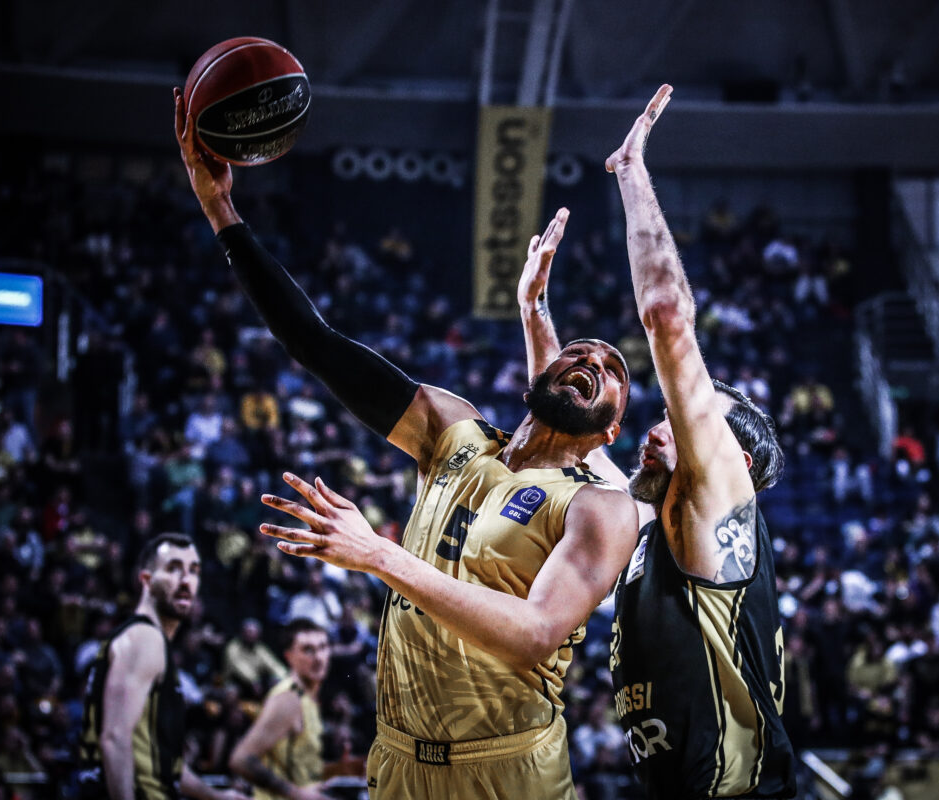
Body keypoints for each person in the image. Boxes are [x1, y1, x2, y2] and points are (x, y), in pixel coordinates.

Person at [175, 91, 640, 800]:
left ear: (610, 429)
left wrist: (379, 554)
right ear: (542, 368)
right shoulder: (450, 430)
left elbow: (537, 632)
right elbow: (316, 344)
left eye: (613, 372)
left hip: (508, 769)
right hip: (395, 761)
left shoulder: (599, 507)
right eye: (581, 351)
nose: (595, 362)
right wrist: (220, 212)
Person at [520, 86, 796, 798]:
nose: (659, 422)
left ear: (731, 463)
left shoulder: (717, 506)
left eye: (690, 421)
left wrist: (631, 168)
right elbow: (570, 440)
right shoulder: (657, 520)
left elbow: (668, 315)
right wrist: (535, 315)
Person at [76, 533, 247, 800]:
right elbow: (114, 739)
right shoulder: (144, 639)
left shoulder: (147, 644)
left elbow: (162, 762)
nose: (185, 580)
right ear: (145, 580)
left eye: (193, 571)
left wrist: (217, 796)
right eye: (173, 569)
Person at [229, 618, 333, 800]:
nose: (318, 657)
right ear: (289, 657)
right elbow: (241, 760)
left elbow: (295, 765)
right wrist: (297, 794)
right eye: (308, 649)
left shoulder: (306, 698)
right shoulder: (288, 697)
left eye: (323, 647)